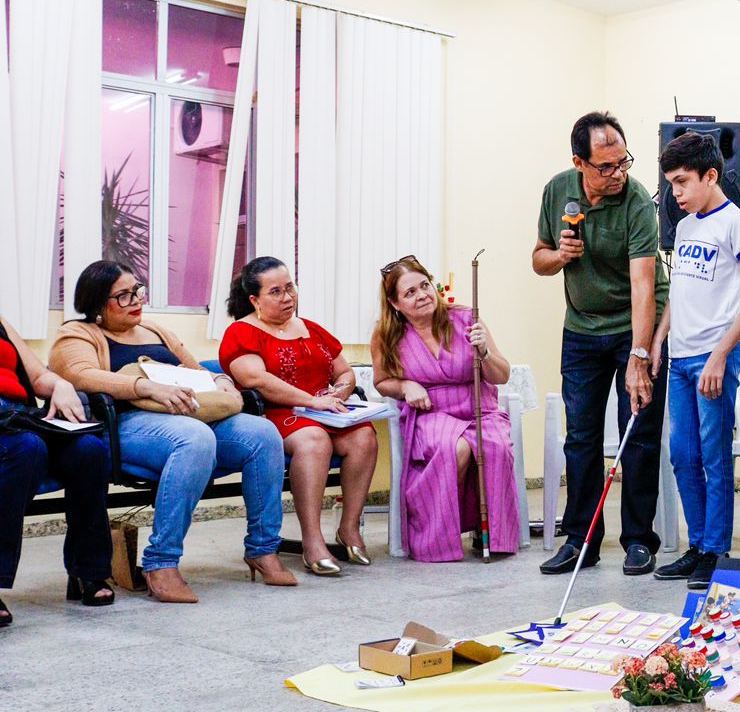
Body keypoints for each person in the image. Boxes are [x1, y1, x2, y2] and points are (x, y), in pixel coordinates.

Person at [51, 261, 294, 601]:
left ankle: (263, 548)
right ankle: (162, 562)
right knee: (195, 439)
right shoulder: (77, 334)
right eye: (123, 296)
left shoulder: (156, 331)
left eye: (137, 291)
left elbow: (194, 369)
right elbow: (79, 375)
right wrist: (144, 387)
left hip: (186, 415)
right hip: (126, 424)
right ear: (96, 303)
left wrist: (221, 380)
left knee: (262, 434)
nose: (136, 300)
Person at [533, 111, 668, 575]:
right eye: (606, 166)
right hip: (582, 331)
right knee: (582, 437)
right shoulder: (557, 191)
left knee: (639, 434)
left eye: (623, 162)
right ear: (580, 163)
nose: (618, 174)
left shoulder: (635, 201)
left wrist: (641, 353)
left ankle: (639, 540)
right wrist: (560, 255)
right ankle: (581, 541)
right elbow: (539, 259)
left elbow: (644, 287)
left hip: (635, 326)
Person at [649, 132, 740, 590]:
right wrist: (661, 339)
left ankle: (716, 550)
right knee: (683, 455)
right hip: (680, 357)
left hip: (714, 358)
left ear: (710, 175)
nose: (674, 194)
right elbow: (678, 295)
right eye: (671, 185)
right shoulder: (684, 227)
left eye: (681, 183)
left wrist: (720, 354)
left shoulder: (736, 224)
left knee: (714, 456)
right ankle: (697, 544)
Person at [220, 257, 379, 576]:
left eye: (289, 287)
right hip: (276, 416)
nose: (287, 297)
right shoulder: (242, 332)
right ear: (255, 299)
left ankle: (348, 529)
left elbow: (345, 371)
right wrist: (311, 401)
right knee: (314, 440)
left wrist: (340, 392)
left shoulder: (313, 329)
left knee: (364, 436)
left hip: (325, 409)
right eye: (275, 291)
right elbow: (256, 381)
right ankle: (313, 541)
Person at [371, 255, 521, 561]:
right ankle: (437, 535)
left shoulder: (467, 318)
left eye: (424, 285)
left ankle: (492, 532)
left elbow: (501, 375)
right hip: (430, 412)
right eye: (409, 292)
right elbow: (381, 381)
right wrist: (405, 386)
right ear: (395, 303)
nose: (422, 295)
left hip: (479, 408)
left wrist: (485, 352)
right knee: (453, 448)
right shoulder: (387, 335)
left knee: (494, 446)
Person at [0, 312, 114, 624]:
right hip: (16, 434)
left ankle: (86, 571)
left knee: (89, 450)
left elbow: (36, 376)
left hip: (18, 415)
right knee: (27, 448)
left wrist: (60, 384)